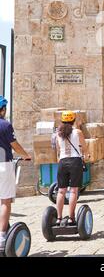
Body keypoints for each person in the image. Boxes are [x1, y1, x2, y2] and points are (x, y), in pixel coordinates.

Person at [0, 96, 31, 252]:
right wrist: (25, 154)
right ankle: (2, 236)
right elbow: (14, 145)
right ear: (3, 109)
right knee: (5, 201)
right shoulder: (5, 125)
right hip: (4, 165)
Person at [55, 110, 88, 226]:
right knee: (73, 190)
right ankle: (71, 217)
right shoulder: (77, 132)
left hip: (63, 162)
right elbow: (84, 147)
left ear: (62, 121)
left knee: (61, 191)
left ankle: (58, 218)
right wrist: (86, 155)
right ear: (73, 121)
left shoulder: (58, 133)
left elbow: (58, 150)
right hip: (75, 161)